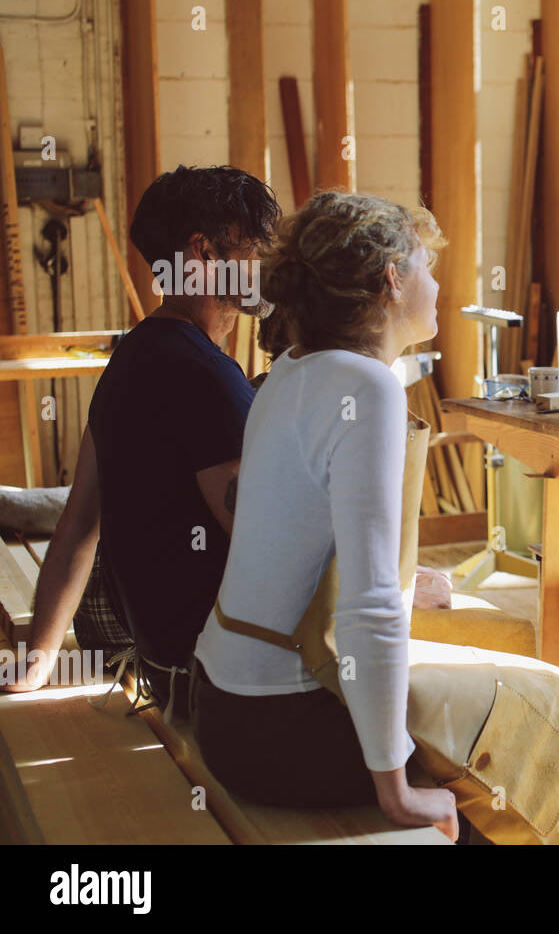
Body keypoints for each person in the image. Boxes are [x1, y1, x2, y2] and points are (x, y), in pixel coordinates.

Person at [191, 192, 458, 836]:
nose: (437, 282)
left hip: (219, 703)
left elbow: (300, 531)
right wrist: (399, 794)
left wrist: (405, 581)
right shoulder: (369, 388)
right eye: (425, 265)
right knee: (507, 740)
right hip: (276, 728)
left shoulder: (292, 367)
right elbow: (367, 608)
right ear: (392, 279)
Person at [1, 165, 280, 708]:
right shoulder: (204, 375)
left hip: (162, 666)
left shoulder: (133, 356)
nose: (268, 264)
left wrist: (37, 660)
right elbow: (269, 547)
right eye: (256, 247)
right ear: (204, 254)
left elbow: (79, 522)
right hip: (221, 686)